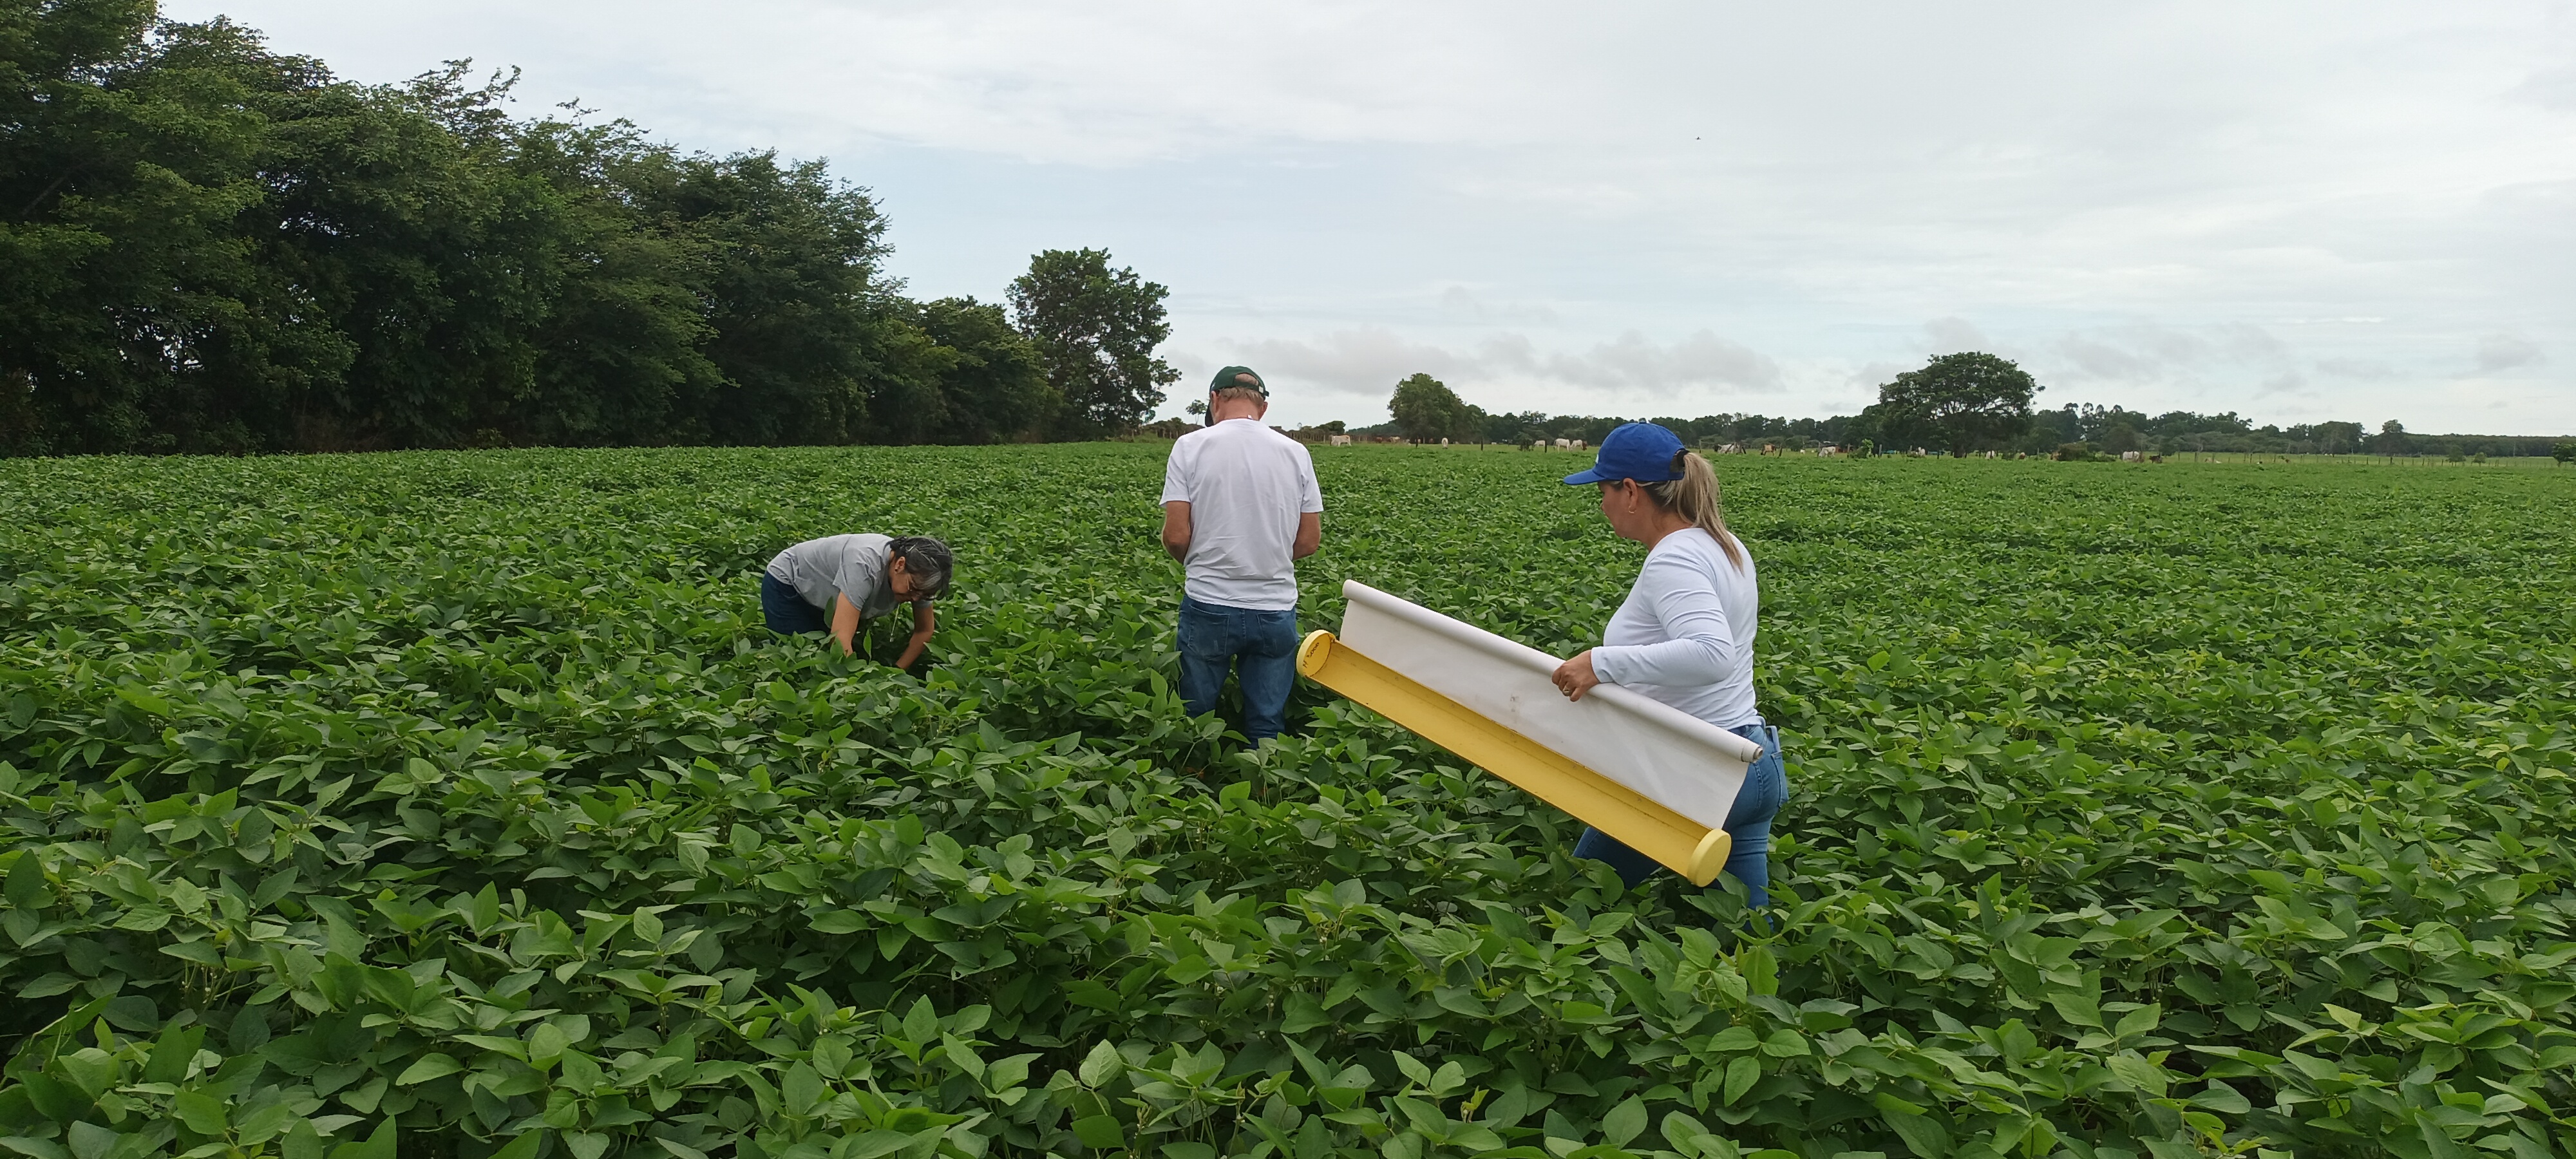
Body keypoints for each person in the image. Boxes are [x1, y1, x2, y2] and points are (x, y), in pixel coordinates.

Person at [1546, 422, 1787, 905]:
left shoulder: (1674, 558)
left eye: (1603, 489)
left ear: (1631, 492)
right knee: (1749, 936)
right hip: (1752, 765)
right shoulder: (1725, 545)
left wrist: (1601, 663)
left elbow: (1712, 653)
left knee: (1580, 907)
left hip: (1695, 773)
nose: (1601, 503)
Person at [1160, 366, 1323, 741]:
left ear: (1215, 400)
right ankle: (1267, 788)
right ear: (1262, 408)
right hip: (1275, 606)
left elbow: (1176, 535)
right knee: (1267, 723)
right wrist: (1266, 559)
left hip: (1208, 602)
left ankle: (1188, 786)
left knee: (1194, 719)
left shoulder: (1190, 446)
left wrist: (1204, 564)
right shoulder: (1296, 453)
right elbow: (1310, 540)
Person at [761, 534, 951, 668]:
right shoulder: (864, 564)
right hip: (789, 584)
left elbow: (925, 630)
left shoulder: (921, 579)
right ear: (900, 565)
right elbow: (840, 639)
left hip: (827, 596)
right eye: (914, 590)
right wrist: (860, 686)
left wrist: (897, 671)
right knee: (798, 660)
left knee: (826, 656)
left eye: (925, 594)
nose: (917, 598)